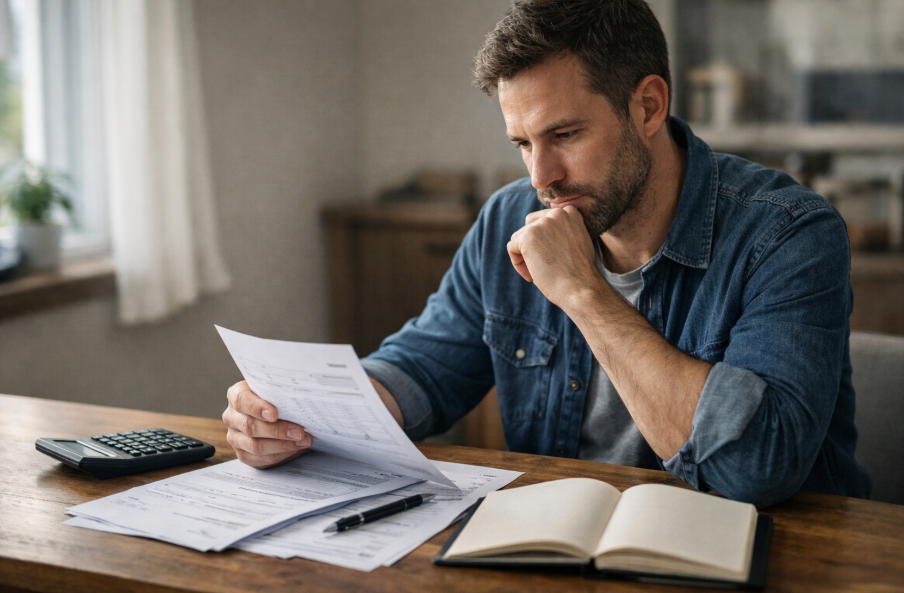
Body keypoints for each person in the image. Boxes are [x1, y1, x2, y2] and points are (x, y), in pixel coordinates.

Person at [221, 0, 871, 507]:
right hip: (557, 550)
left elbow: (757, 464)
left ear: (648, 104)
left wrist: (583, 292)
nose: (541, 177)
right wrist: (299, 414)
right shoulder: (510, 216)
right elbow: (423, 367)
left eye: (564, 134)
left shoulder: (789, 233)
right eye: (523, 143)